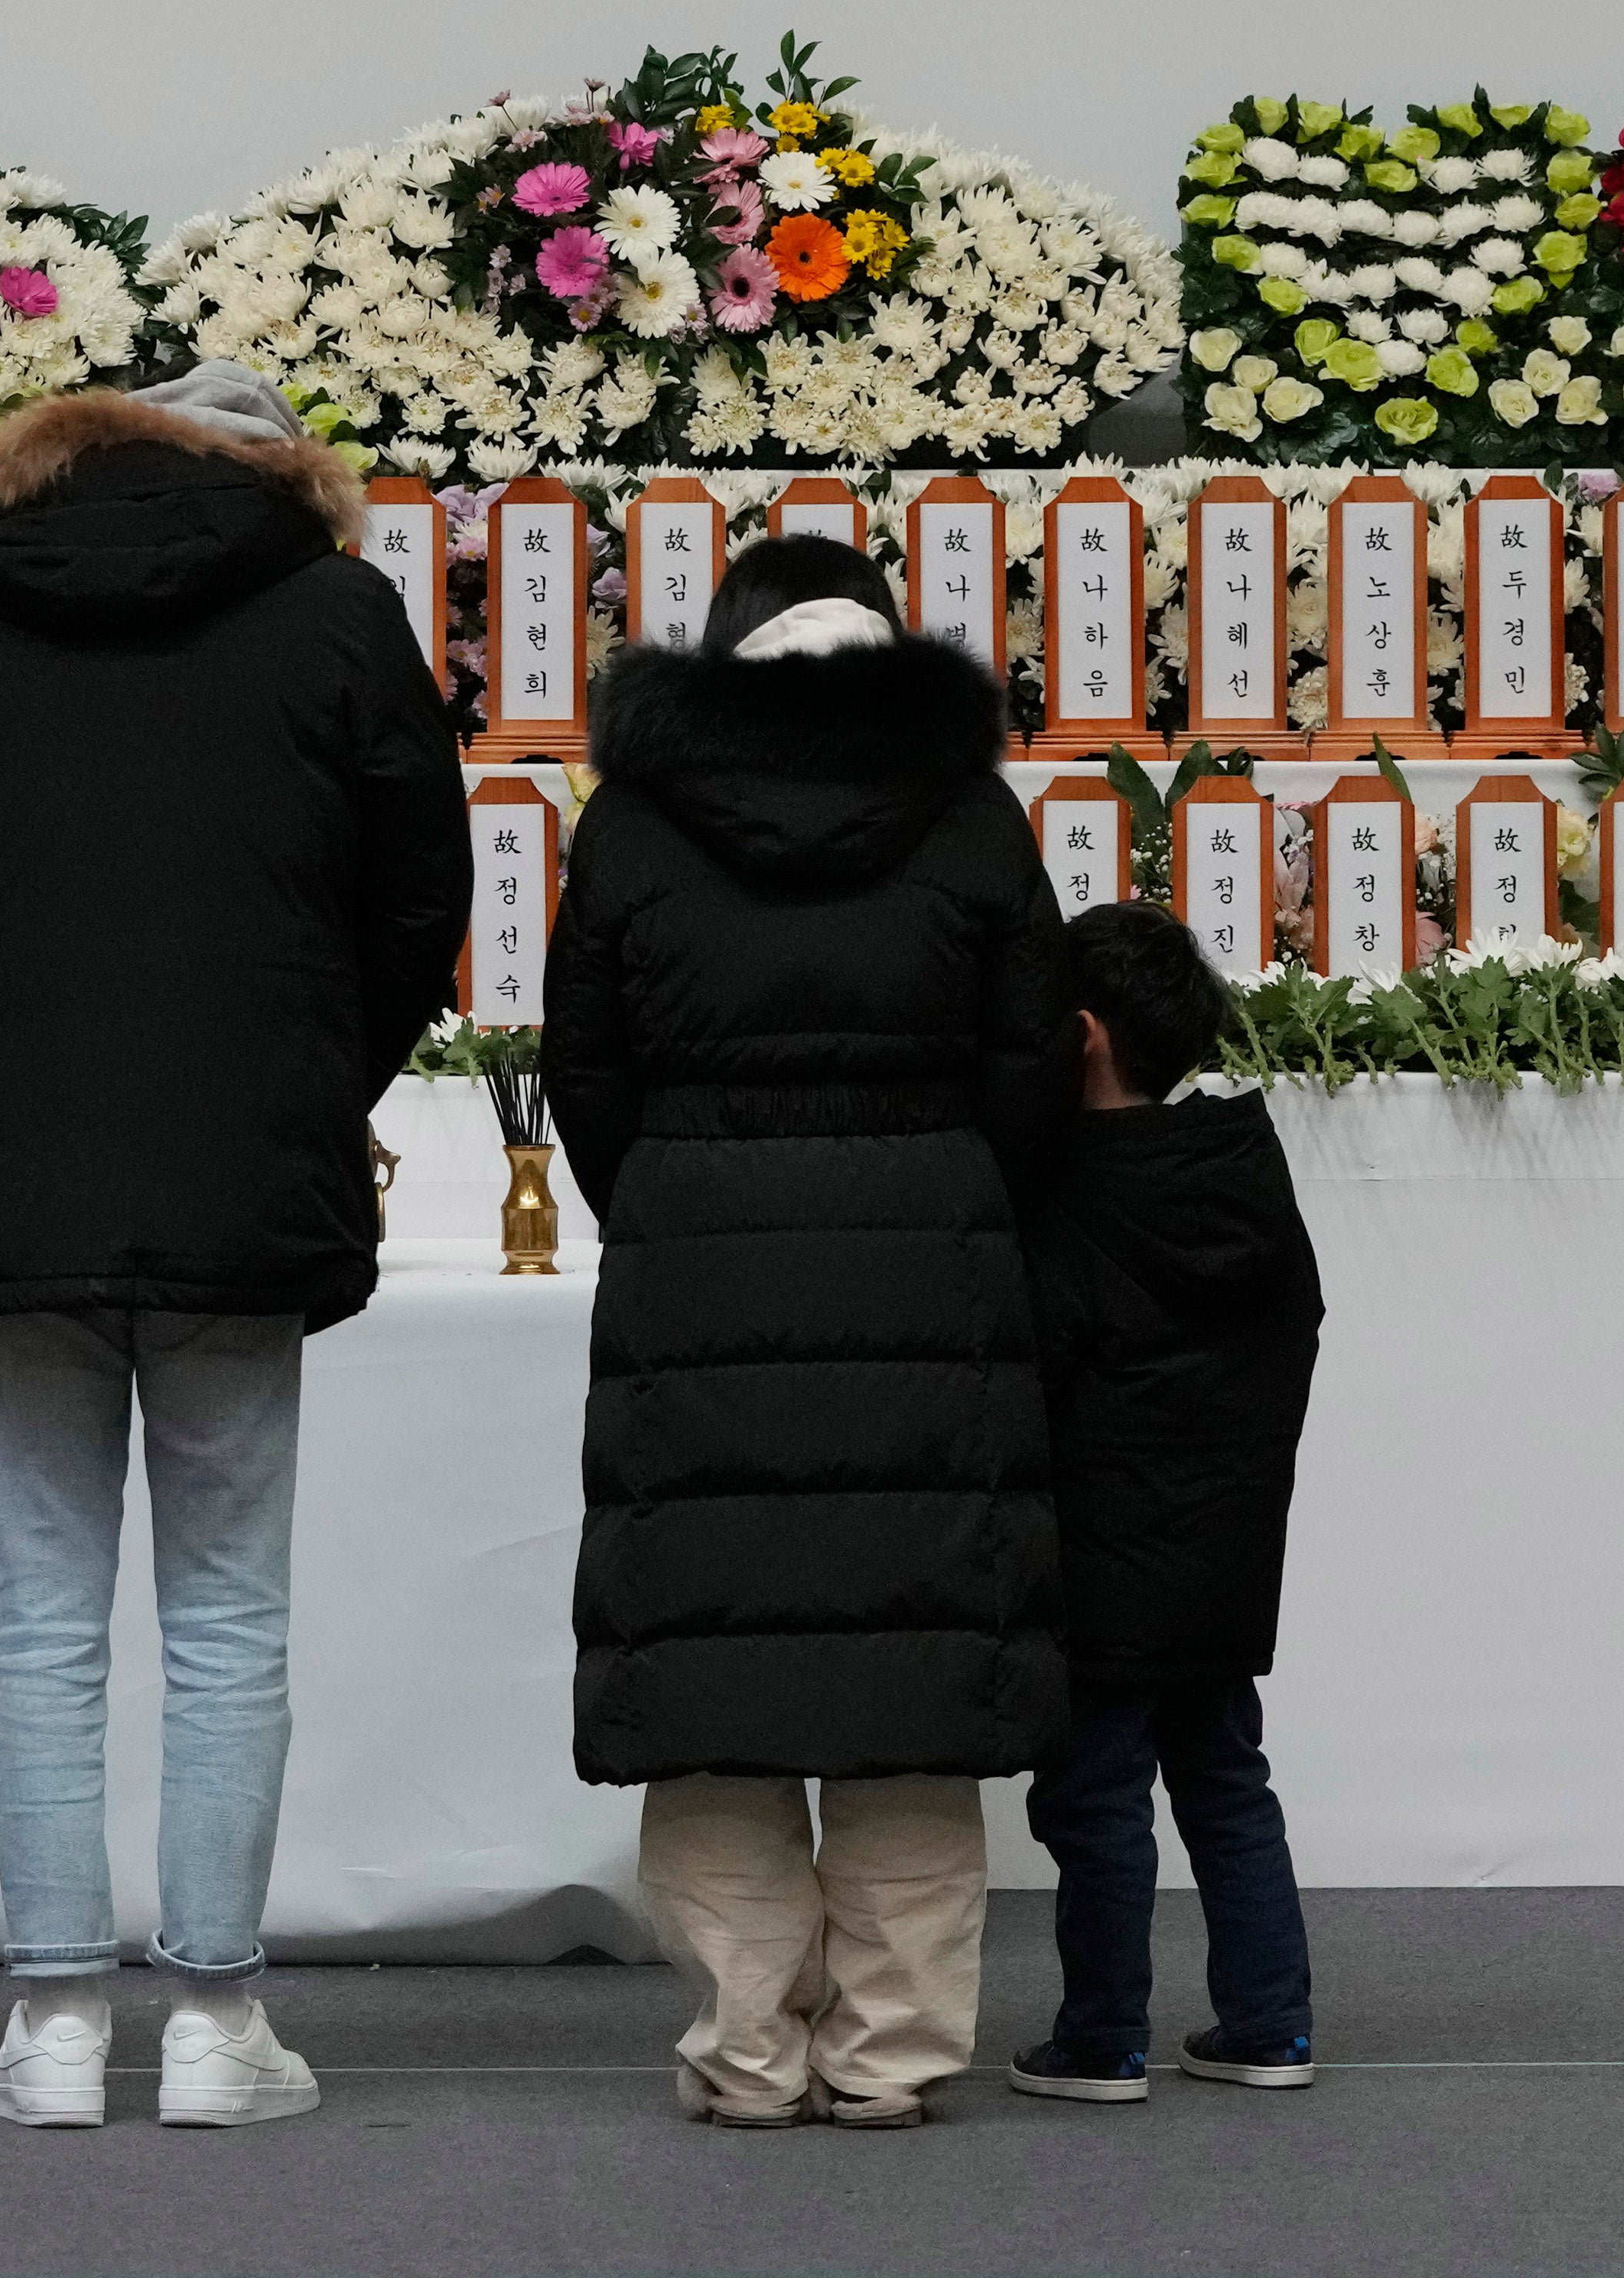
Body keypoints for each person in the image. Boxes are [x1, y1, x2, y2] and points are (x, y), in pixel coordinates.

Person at [0, 358, 473, 2130]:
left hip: (25, 1164)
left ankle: (53, 2026)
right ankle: (215, 2027)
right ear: (282, 470)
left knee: (44, 1612)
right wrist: (308, 1078)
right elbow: (419, 893)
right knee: (228, 1608)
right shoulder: (338, 612)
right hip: (239, 1166)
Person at [541, 530, 1078, 2130]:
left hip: (697, 1258)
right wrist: (962, 1189)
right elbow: (1034, 1055)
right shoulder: (972, 815)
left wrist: (664, 1197)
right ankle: (893, 2056)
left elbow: (585, 1063)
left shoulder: (633, 822)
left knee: (717, 1684)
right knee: (914, 1678)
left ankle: (745, 2052)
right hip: (931, 1259)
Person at [1009, 900, 1326, 2106]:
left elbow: (1032, 1371)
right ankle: (1271, 2025)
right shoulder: (1241, 1168)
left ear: (1080, 1036)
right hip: (1227, 1545)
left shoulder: (1068, 1191)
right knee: (1228, 1783)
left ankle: (1103, 2040)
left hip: (1099, 1555)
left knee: (1095, 1802)